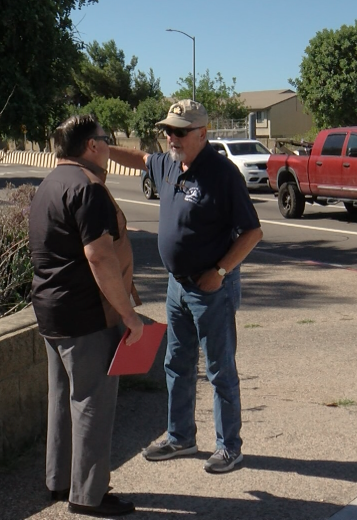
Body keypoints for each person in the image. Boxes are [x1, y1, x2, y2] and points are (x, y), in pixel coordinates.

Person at [108, 99, 263, 473]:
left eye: (179, 131)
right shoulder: (168, 163)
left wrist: (221, 272)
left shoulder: (222, 174)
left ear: (202, 133)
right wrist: (96, 146)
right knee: (175, 363)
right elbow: (140, 158)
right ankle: (181, 437)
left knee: (219, 369)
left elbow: (253, 232)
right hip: (177, 288)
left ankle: (229, 447)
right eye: (168, 130)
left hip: (211, 288)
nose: (170, 137)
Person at [29, 114, 144, 517]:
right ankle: (89, 496)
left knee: (62, 399)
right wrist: (128, 314)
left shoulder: (49, 184)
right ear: (92, 146)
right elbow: (98, 254)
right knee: (93, 402)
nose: (110, 146)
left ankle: (59, 481)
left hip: (50, 311)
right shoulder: (88, 188)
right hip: (86, 315)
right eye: (106, 139)